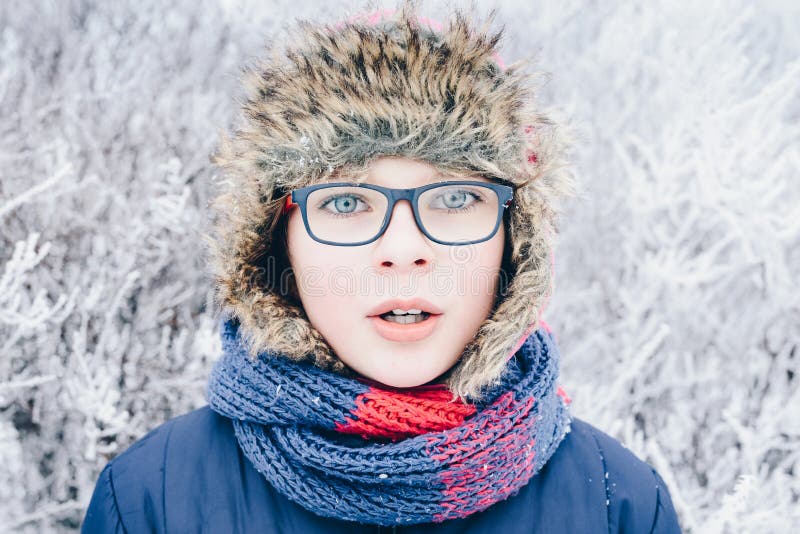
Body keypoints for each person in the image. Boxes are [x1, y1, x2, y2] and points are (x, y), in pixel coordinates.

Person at [81, 2, 682, 532]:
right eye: (345, 202)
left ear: (515, 242)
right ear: (275, 244)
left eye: (454, 199)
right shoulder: (149, 502)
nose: (402, 249)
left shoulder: (621, 508)